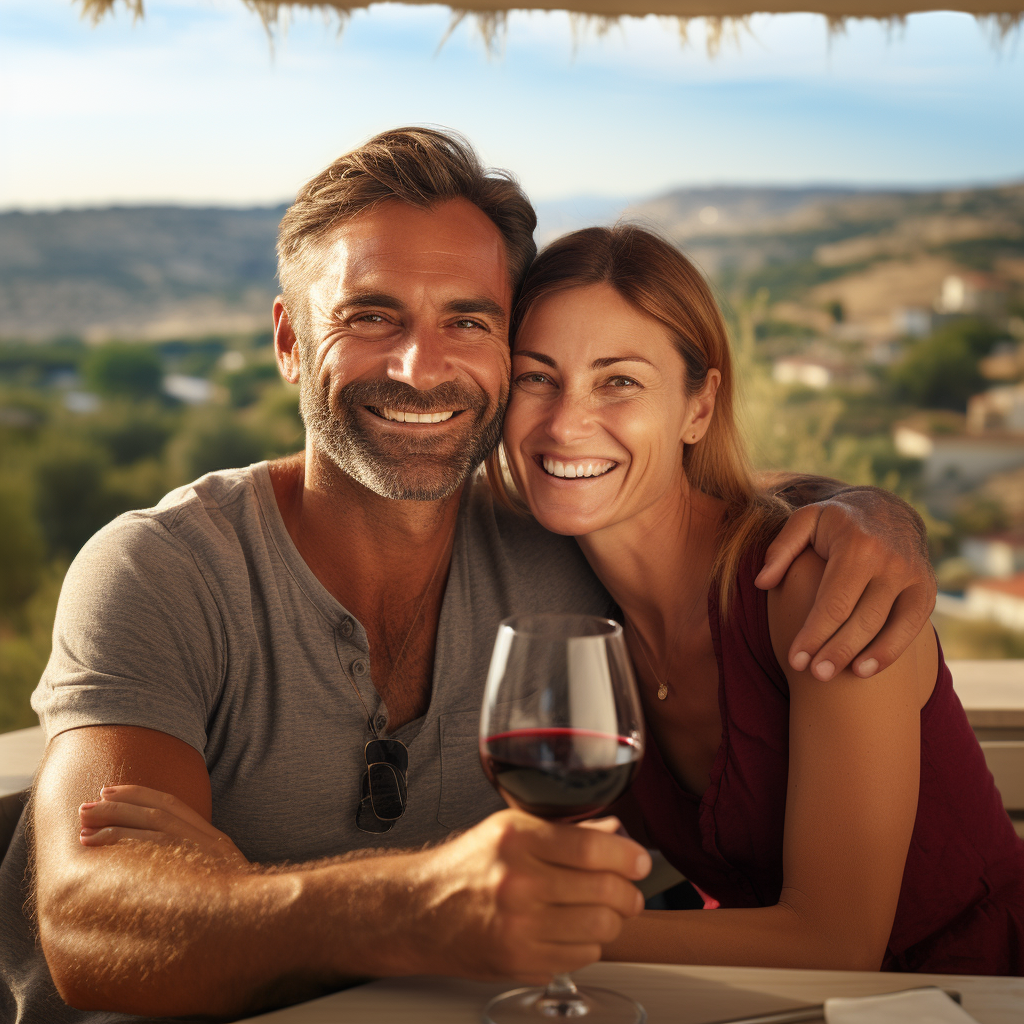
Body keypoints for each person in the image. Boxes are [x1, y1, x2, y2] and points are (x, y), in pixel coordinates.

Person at [2, 128, 936, 1023]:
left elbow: (670, 488)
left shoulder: (556, 544)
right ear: (289, 341)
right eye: (371, 317)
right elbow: (90, 928)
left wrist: (870, 511)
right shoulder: (164, 569)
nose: (421, 367)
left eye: (469, 321)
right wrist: (420, 910)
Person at [493, 224, 1024, 976]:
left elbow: (835, 946)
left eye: (619, 381)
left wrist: (496, 931)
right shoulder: (576, 619)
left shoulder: (807, 587)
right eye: (534, 377)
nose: (565, 422)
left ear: (699, 407)